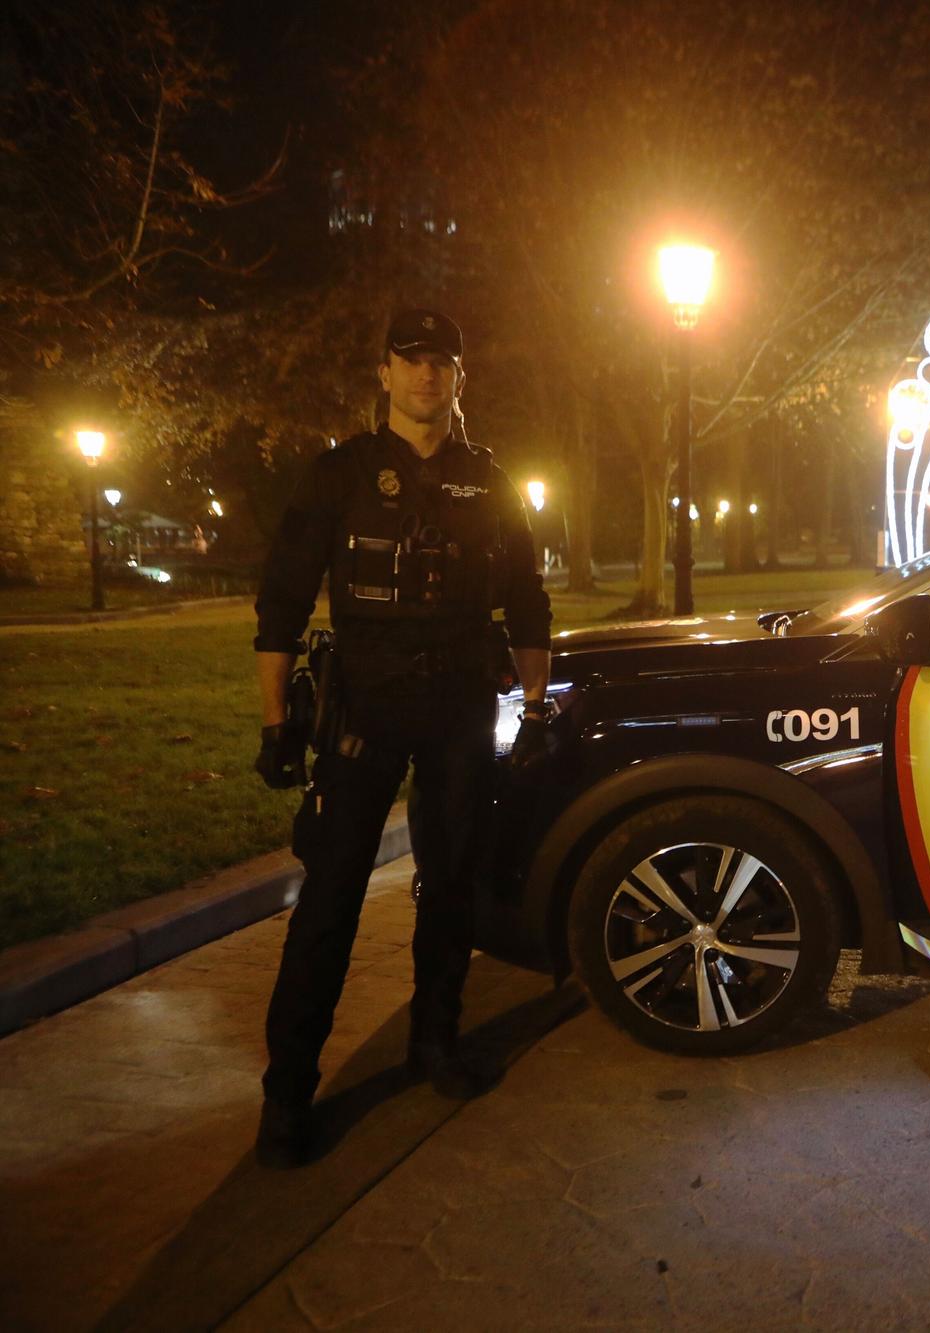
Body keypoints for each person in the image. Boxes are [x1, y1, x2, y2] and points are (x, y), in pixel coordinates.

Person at [250, 308, 552, 1168]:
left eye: (442, 361)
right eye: (411, 359)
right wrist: (277, 722)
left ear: (460, 376)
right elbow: (281, 602)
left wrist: (531, 706)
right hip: (364, 714)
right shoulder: (338, 474)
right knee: (332, 900)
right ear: (383, 372)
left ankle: (436, 1041)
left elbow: (526, 599)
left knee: (452, 883)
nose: (427, 374)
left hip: (459, 708)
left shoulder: (489, 481)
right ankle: (288, 1091)